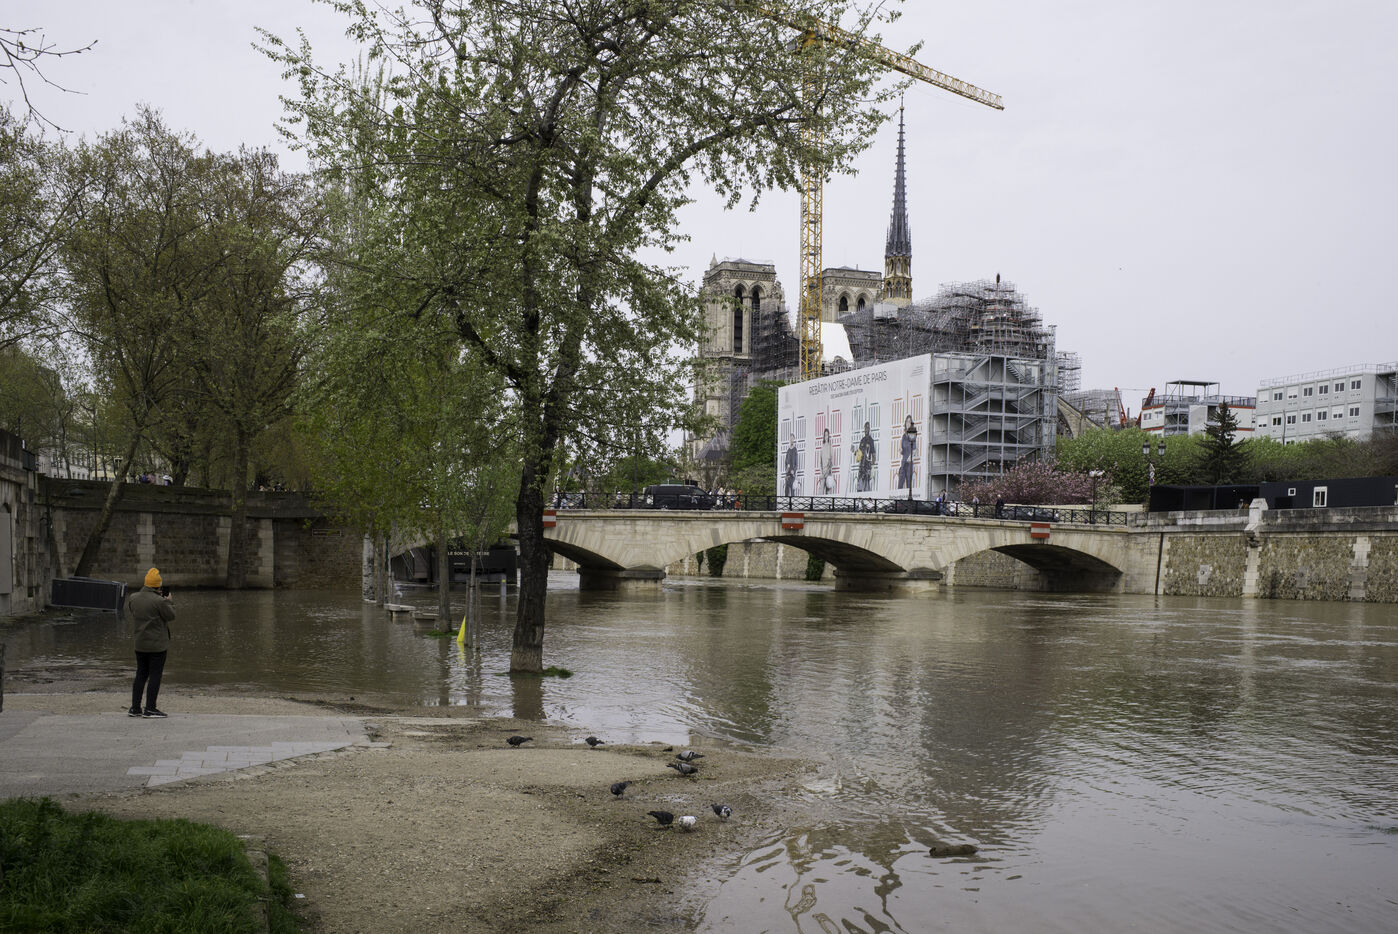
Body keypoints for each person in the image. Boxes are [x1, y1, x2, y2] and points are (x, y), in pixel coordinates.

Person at [127, 567, 175, 718]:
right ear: (158, 586)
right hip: (157, 645)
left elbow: (134, 612)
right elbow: (171, 616)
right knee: (155, 675)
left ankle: (135, 708)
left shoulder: (133, 598)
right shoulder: (160, 601)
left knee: (140, 674)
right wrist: (169, 601)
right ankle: (150, 708)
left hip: (140, 643)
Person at [853, 422, 876, 492]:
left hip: (867, 466)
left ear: (869, 429)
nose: (866, 429)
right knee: (859, 487)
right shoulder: (862, 440)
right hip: (861, 466)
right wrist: (853, 451)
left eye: (867, 428)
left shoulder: (871, 441)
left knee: (867, 487)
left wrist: (872, 468)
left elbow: (873, 454)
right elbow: (858, 455)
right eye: (865, 428)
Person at [897, 415, 917, 489]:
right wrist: (901, 451)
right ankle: (899, 496)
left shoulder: (913, 435)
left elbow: (914, 449)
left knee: (909, 483)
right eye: (907, 422)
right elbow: (903, 450)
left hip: (909, 462)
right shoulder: (903, 436)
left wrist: (910, 458)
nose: (908, 423)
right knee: (900, 482)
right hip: (903, 461)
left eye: (909, 422)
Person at [818, 427, 835, 494]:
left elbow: (832, 460)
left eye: (827, 435)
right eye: (825, 435)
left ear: (828, 436)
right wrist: (821, 473)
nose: (826, 437)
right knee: (821, 491)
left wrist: (829, 469)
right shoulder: (822, 447)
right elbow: (820, 462)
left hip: (828, 472)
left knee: (828, 493)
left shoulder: (830, 446)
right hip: (823, 473)